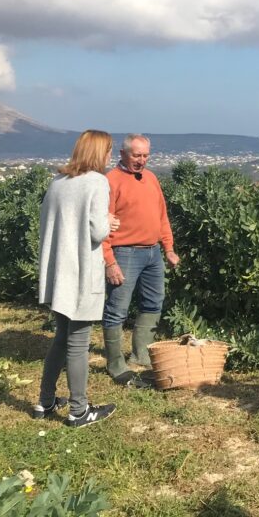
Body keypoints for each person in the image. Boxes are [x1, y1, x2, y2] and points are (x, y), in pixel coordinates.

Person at [35, 129, 119, 427]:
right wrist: (109, 222)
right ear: (100, 153)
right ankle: (79, 410)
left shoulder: (58, 181)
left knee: (61, 338)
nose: (111, 156)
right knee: (79, 343)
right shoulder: (97, 182)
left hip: (58, 272)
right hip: (81, 272)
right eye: (109, 151)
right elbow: (97, 231)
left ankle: (45, 401)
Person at [101, 134, 180, 386]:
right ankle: (115, 363)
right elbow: (102, 226)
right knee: (117, 309)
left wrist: (168, 248)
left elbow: (161, 216)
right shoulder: (111, 181)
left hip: (152, 252)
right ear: (123, 154)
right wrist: (109, 261)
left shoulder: (152, 178)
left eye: (145, 155)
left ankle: (141, 354)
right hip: (124, 252)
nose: (141, 160)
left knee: (153, 302)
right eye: (136, 155)